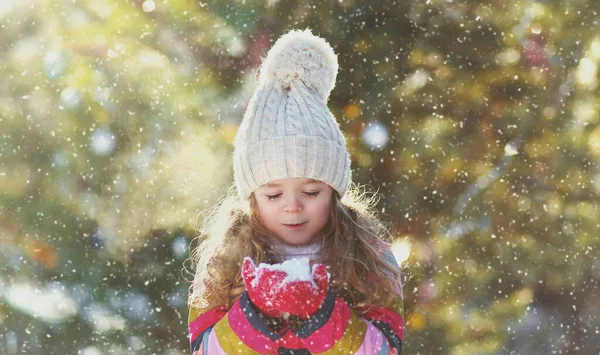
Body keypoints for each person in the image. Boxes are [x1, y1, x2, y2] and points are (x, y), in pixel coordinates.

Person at [187, 28, 405, 354]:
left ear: (334, 191)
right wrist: (255, 317)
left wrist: (323, 315)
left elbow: (387, 349)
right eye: (273, 195)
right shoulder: (225, 260)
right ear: (252, 198)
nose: (293, 207)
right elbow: (203, 350)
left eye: (312, 192)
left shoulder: (368, 257)